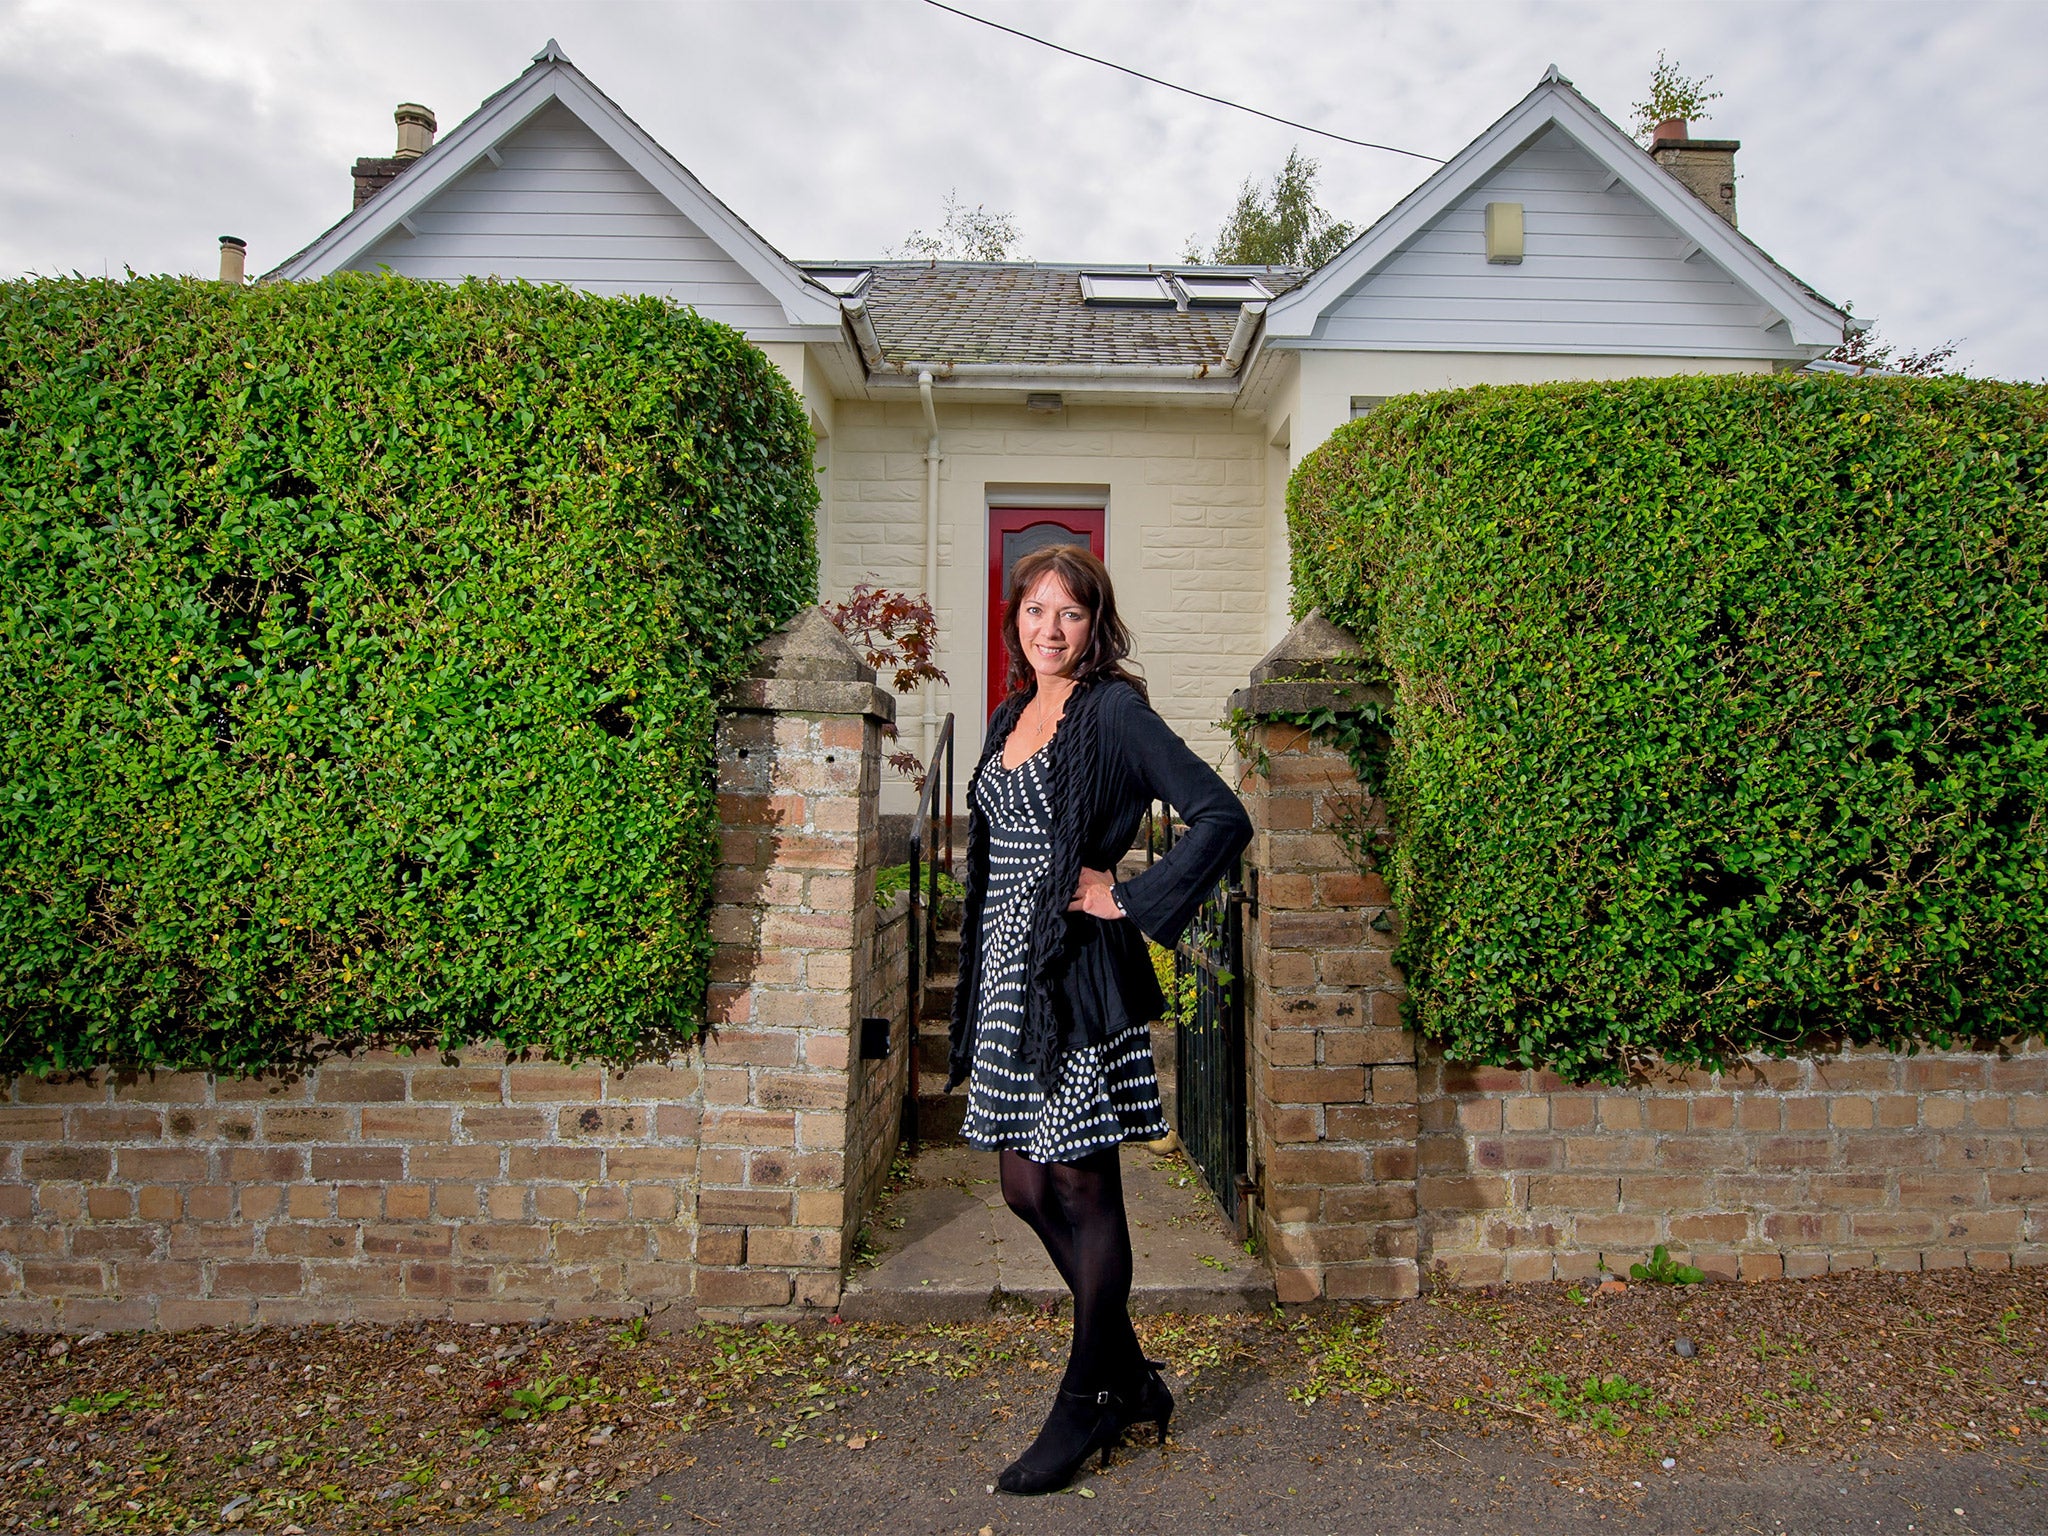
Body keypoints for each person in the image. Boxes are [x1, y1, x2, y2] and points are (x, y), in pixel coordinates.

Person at [947, 544, 1252, 1495]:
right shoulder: (1009, 716)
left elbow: (1220, 814)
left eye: (1070, 613)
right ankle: (1127, 1378)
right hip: (1006, 976)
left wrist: (1130, 896)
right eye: (1035, 610)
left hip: (1076, 977)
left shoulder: (1114, 711)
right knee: (1022, 1189)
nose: (1051, 628)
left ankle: (1086, 1403)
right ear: (1015, 623)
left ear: (1096, 624)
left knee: (1079, 1189)